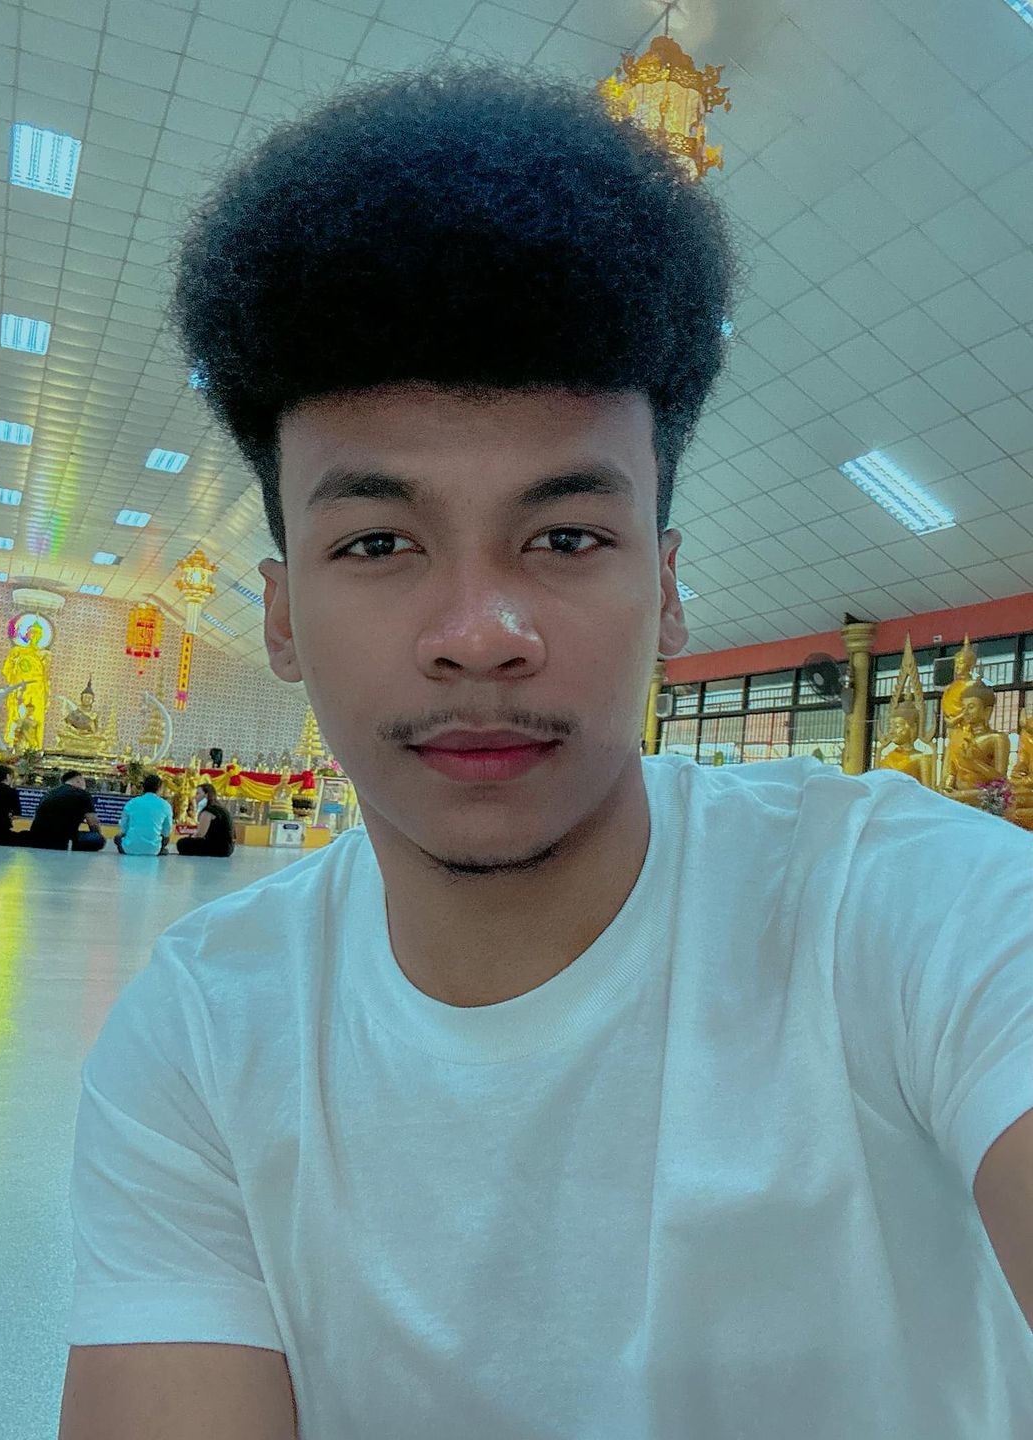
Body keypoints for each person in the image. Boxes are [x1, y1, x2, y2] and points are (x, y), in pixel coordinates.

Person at [61, 67, 1033, 1440]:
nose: (481, 635)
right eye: (379, 543)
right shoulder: (204, 1040)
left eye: (567, 536)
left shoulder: (909, 912)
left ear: (669, 590)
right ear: (280, 616)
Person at [28, 770, 105, 852]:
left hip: (38, 837)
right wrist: (98, 836)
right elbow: (93, 823)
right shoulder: (83, 794)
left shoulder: (49, 793)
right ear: (79, 780)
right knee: (97, 838)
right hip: (62, 839)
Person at [114, 774, 173, 856]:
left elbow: (124, 828)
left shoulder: (132, 803)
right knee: (165, 838)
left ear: (143, 787)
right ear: (159, 788)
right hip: (153, 849)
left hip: (129, 849)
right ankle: (159, 848)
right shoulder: (165, 805)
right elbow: (167, 830)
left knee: (117, 838)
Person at [175, 781, 234, 857]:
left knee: (182, 843)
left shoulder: (208, 811)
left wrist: (190, 839)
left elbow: (200, 834)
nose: (195, 797)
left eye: (197, 794)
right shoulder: (220, 808)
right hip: (228, 847)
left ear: (206, 795)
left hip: (219, 848)